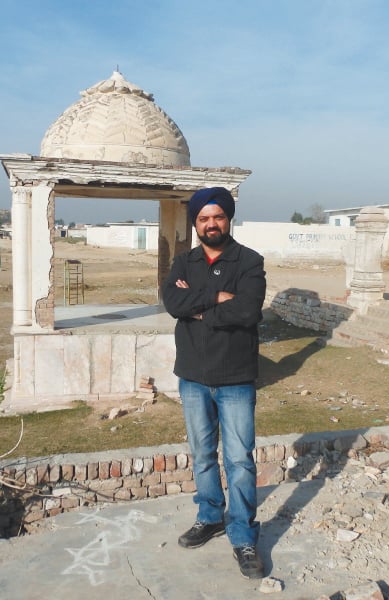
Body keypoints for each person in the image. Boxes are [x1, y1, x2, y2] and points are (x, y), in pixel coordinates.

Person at [162, 187, 266, 579]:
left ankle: (242, 535)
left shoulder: (249, 261)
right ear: (195, 223)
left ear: (228, 218)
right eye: (203, 218)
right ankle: (210, 516)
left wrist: (199, 308)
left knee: (239, 459)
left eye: (217, 216)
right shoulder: (184, 262)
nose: (211, 224)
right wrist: (217, 297)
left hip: (236, 376)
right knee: (203, 454)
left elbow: (247, 310)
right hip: (192, 375)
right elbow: (173, 303)